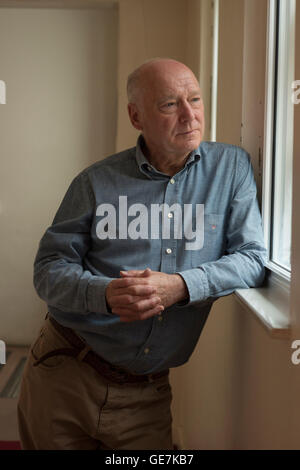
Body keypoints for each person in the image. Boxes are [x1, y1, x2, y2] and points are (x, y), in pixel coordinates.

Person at [17, 58, 266, 450]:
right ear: (136, 116)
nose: (189, 115)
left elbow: (252, 257)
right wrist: (103, 294)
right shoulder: (95, 182)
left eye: (195, 99)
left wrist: (182, 285)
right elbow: (47, 270)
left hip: (147, 396)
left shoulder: (231, 169)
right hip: (65, 372)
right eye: (169, 104)